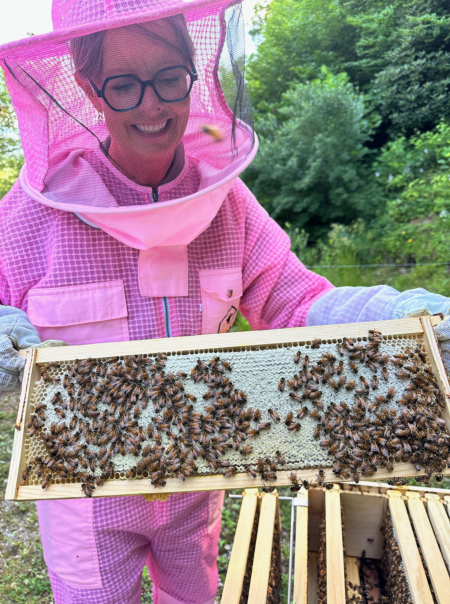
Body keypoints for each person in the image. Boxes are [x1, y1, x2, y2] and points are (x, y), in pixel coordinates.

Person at [0, 1, 449, 603]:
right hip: (87, 495)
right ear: (88, 88)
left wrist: (395, 314)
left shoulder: (228, 202)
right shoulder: (32, 214)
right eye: (125, 85)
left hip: (197, 484)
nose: (153, 106)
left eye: (167, 77)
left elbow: (296, 297)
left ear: (196, 69)